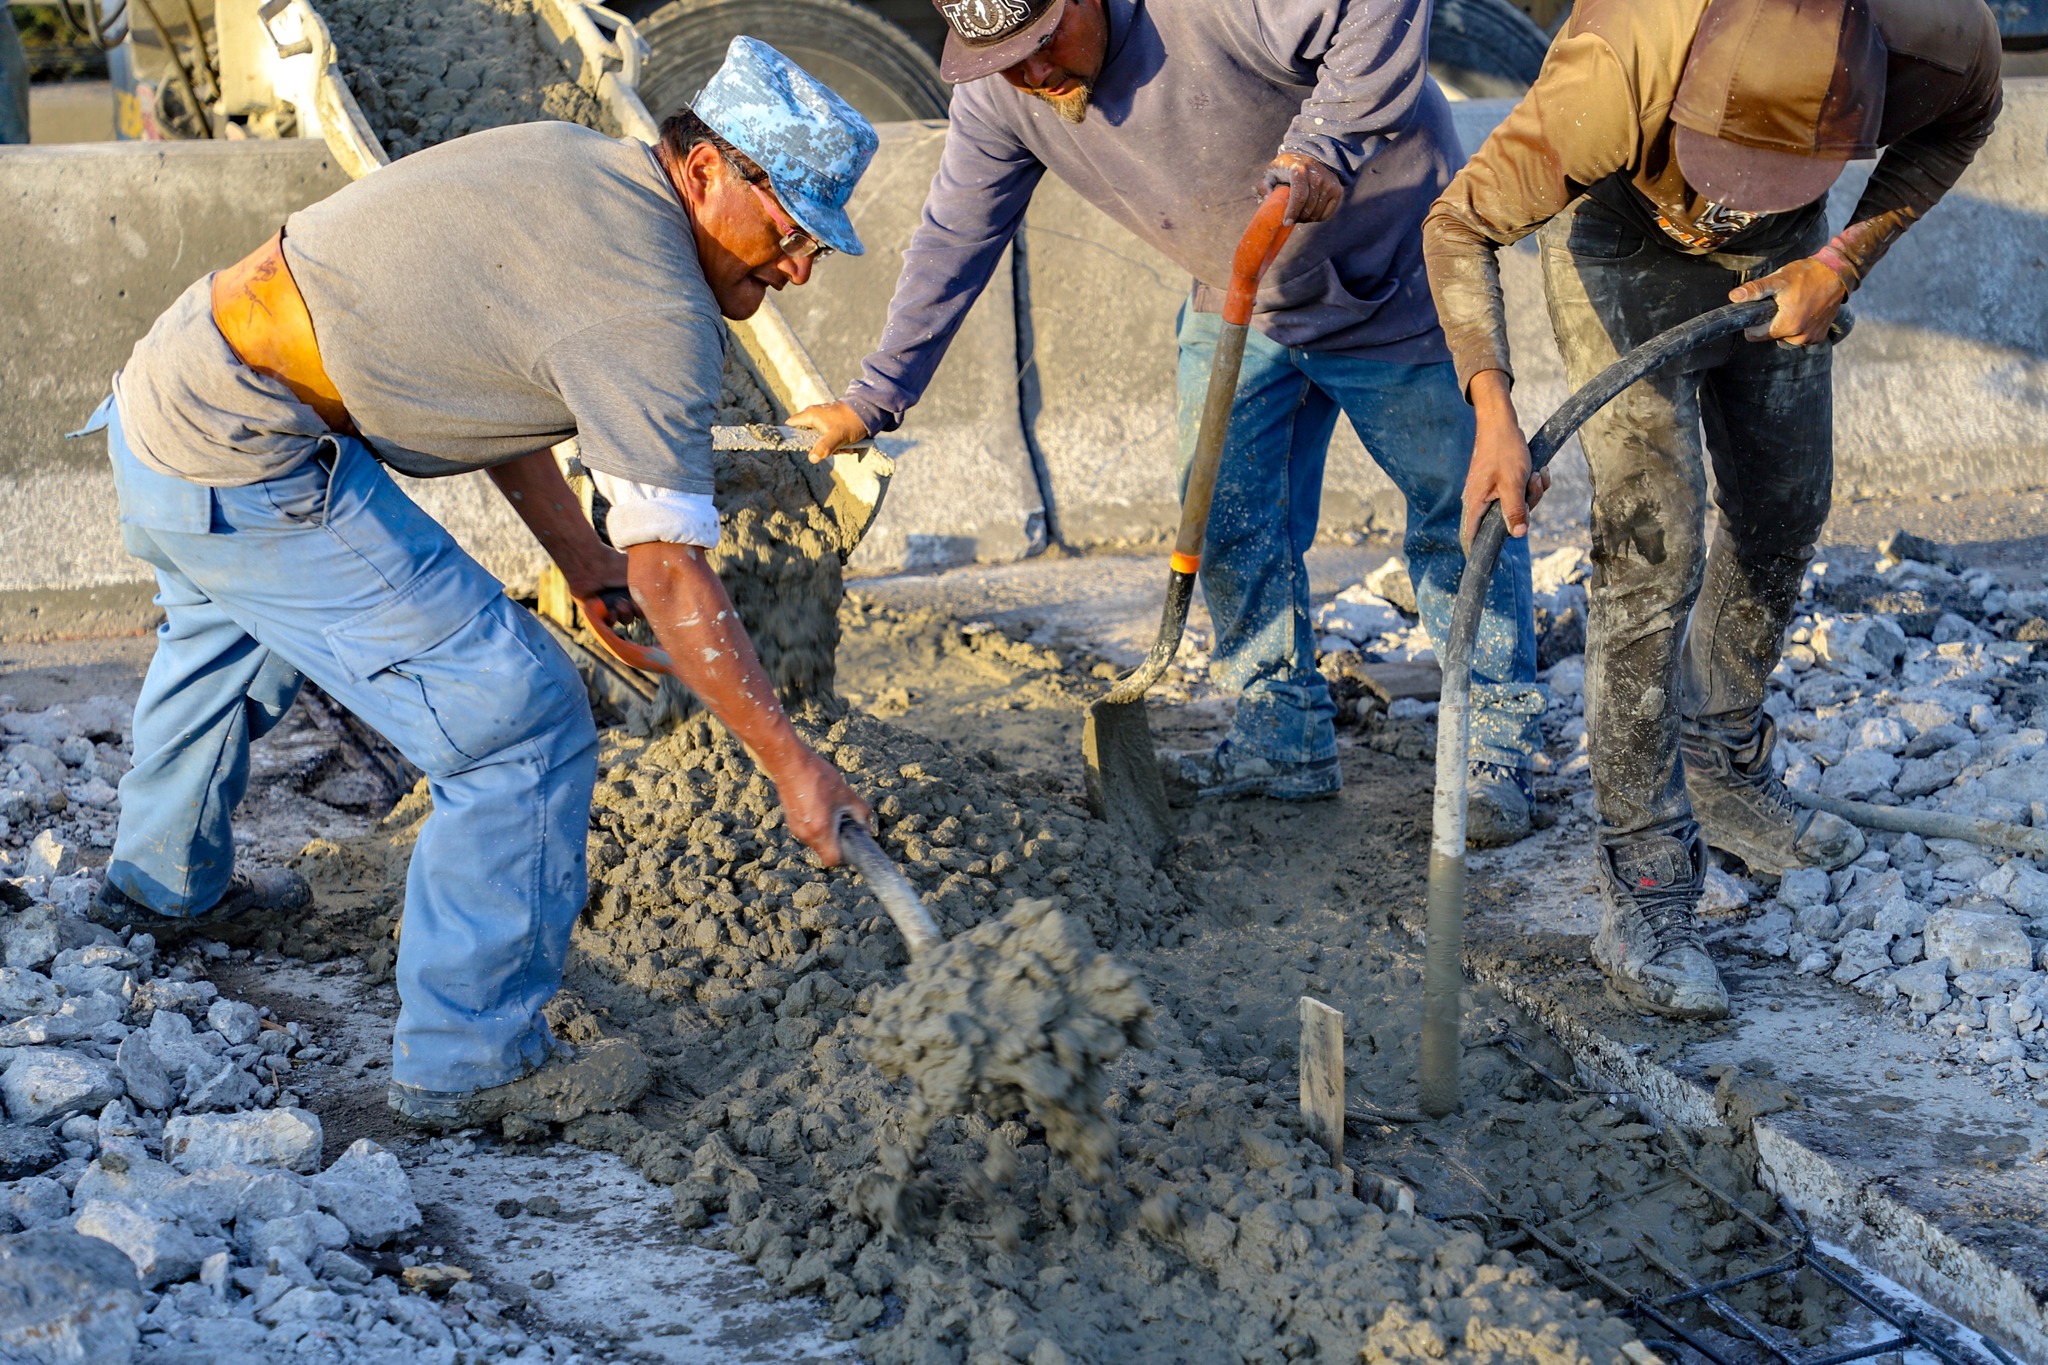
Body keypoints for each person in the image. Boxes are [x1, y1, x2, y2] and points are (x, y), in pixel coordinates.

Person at [80, 38, 878, 1129]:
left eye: (815, 253)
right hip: (252, 448)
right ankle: (472, 1063)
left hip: (172, 393)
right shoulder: (651, 308)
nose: (794, 270)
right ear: (704, 172)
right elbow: (674, 566)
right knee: (519, 723)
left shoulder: (574, 164)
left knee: (223, 635)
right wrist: (791, 765)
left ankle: (158, 887)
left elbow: (500, 388)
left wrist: (579, 560)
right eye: (787, 233)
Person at [790, 0, 1546, 842]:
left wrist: (1325, 141)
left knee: (1462, 508)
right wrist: (875, 397)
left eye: (1042, 46)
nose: (1033, 76)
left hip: (1393, 275)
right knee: (1224, 510)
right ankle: (1280, 735)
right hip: (1243, 300)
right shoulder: (1006, 98)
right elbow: (953, 238)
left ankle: (1494, 747)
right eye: (1000, 60)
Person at [1423, 0, 2001, 1017]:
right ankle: (1642, 869)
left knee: (1785, 508)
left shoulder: (1936, 38)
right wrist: (1490, 408)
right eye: (1725, 160)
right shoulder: (1617, 66)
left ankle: (1722, 766)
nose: (1724, 203)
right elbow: (1456, 222)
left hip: (1787, 258)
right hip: (1617, 246)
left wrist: (1839, 258)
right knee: (1649, 547)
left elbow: (1963, 124)